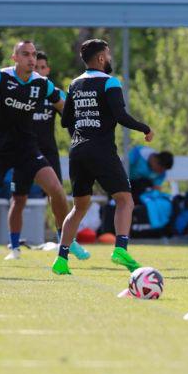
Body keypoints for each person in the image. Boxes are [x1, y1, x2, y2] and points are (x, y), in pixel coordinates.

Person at [0, 40, 71, 268]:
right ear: (15, 58)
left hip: (27, 149)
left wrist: (78, 122)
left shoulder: (43, 84)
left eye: (33, 55)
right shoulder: (1, 77)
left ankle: (64, 245)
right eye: (25, 54)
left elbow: (64, 107)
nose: (31, 59)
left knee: (58, 192)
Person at [53, 39, 154, 276]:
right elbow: (120, 115)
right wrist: (145, 128)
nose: (109, 59)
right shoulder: (110, 82)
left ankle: (61, 260)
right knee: (125, 200)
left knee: (79, 207)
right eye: (107, 55)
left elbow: (66, 120)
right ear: (100, 58)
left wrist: (84, 119)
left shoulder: (74, 84)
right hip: (101, 150)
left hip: (77, 150)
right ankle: (120, 249)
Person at [4, 50, 74, 261]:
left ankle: (63, 241)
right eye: (37, 68)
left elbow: (70, 117)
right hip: (25, 152)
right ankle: (14, 246)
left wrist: (77, 139)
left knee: (58, 195)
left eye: (43, 68)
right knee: (18, 200)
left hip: (48, 152)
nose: (40, 71)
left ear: (48, 70)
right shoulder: (23, 91)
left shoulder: (53, 93)